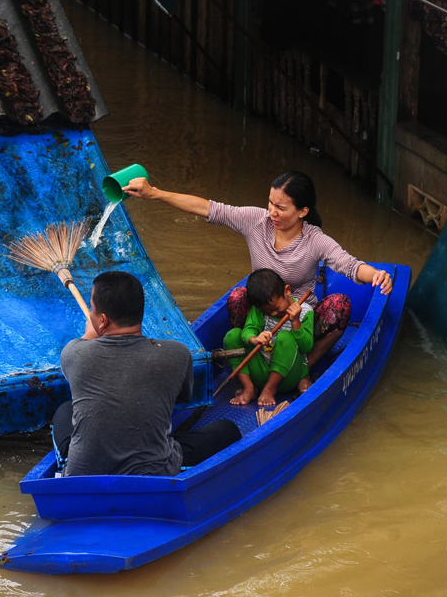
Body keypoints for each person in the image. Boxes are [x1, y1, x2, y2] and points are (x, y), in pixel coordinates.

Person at [124, 170, 392, 391]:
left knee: (341, 306)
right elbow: (208, 208)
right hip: (261, 314)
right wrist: (154, 193)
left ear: (303, 211)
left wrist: (376, 276)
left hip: (299, 316)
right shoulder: (256, 221)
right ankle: (251, 367)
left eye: (281, 207)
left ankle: (303, 369)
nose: (272, 212)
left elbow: (349, 265)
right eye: (270, 203)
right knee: (238, 297)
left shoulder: (314, 240)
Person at [50, 271, 240, 477]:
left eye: (93, 309)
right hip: (155, 471)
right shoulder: (177, 353)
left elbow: (89, 349)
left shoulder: (73, 353)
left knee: (64, 410)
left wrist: (91, 332)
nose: (91, 314)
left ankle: (67, 465)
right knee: (227, 430)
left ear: (102, 320)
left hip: (83, 473)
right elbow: (183, 399)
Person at [223, 269, 314, 406]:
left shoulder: (305, 311)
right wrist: (254, 339)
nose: (273, 313)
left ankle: (270, 388)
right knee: (232, 336)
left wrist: (295, 322)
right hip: (260, 373)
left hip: (287, 377)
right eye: (268, 311)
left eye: (277, 308)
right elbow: (247, 331)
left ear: (287, 291)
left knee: (285, 337)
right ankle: (249, 387)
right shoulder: (260, 310)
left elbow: (306, 347)